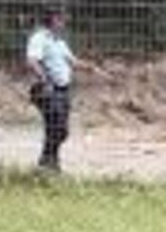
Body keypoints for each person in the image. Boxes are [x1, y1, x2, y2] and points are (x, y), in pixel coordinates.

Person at [26, 9, 106, 171]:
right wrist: (44, 79)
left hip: (63, 90)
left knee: (59, 130)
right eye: (60, 20)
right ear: (52, 20)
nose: (63, 23)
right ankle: (49, 163)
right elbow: (32, 60)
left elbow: (73, 62)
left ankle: (48, 162)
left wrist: (92, 68)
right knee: (56, 128)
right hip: (48, 90)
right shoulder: (39, 38)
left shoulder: (60, 42)